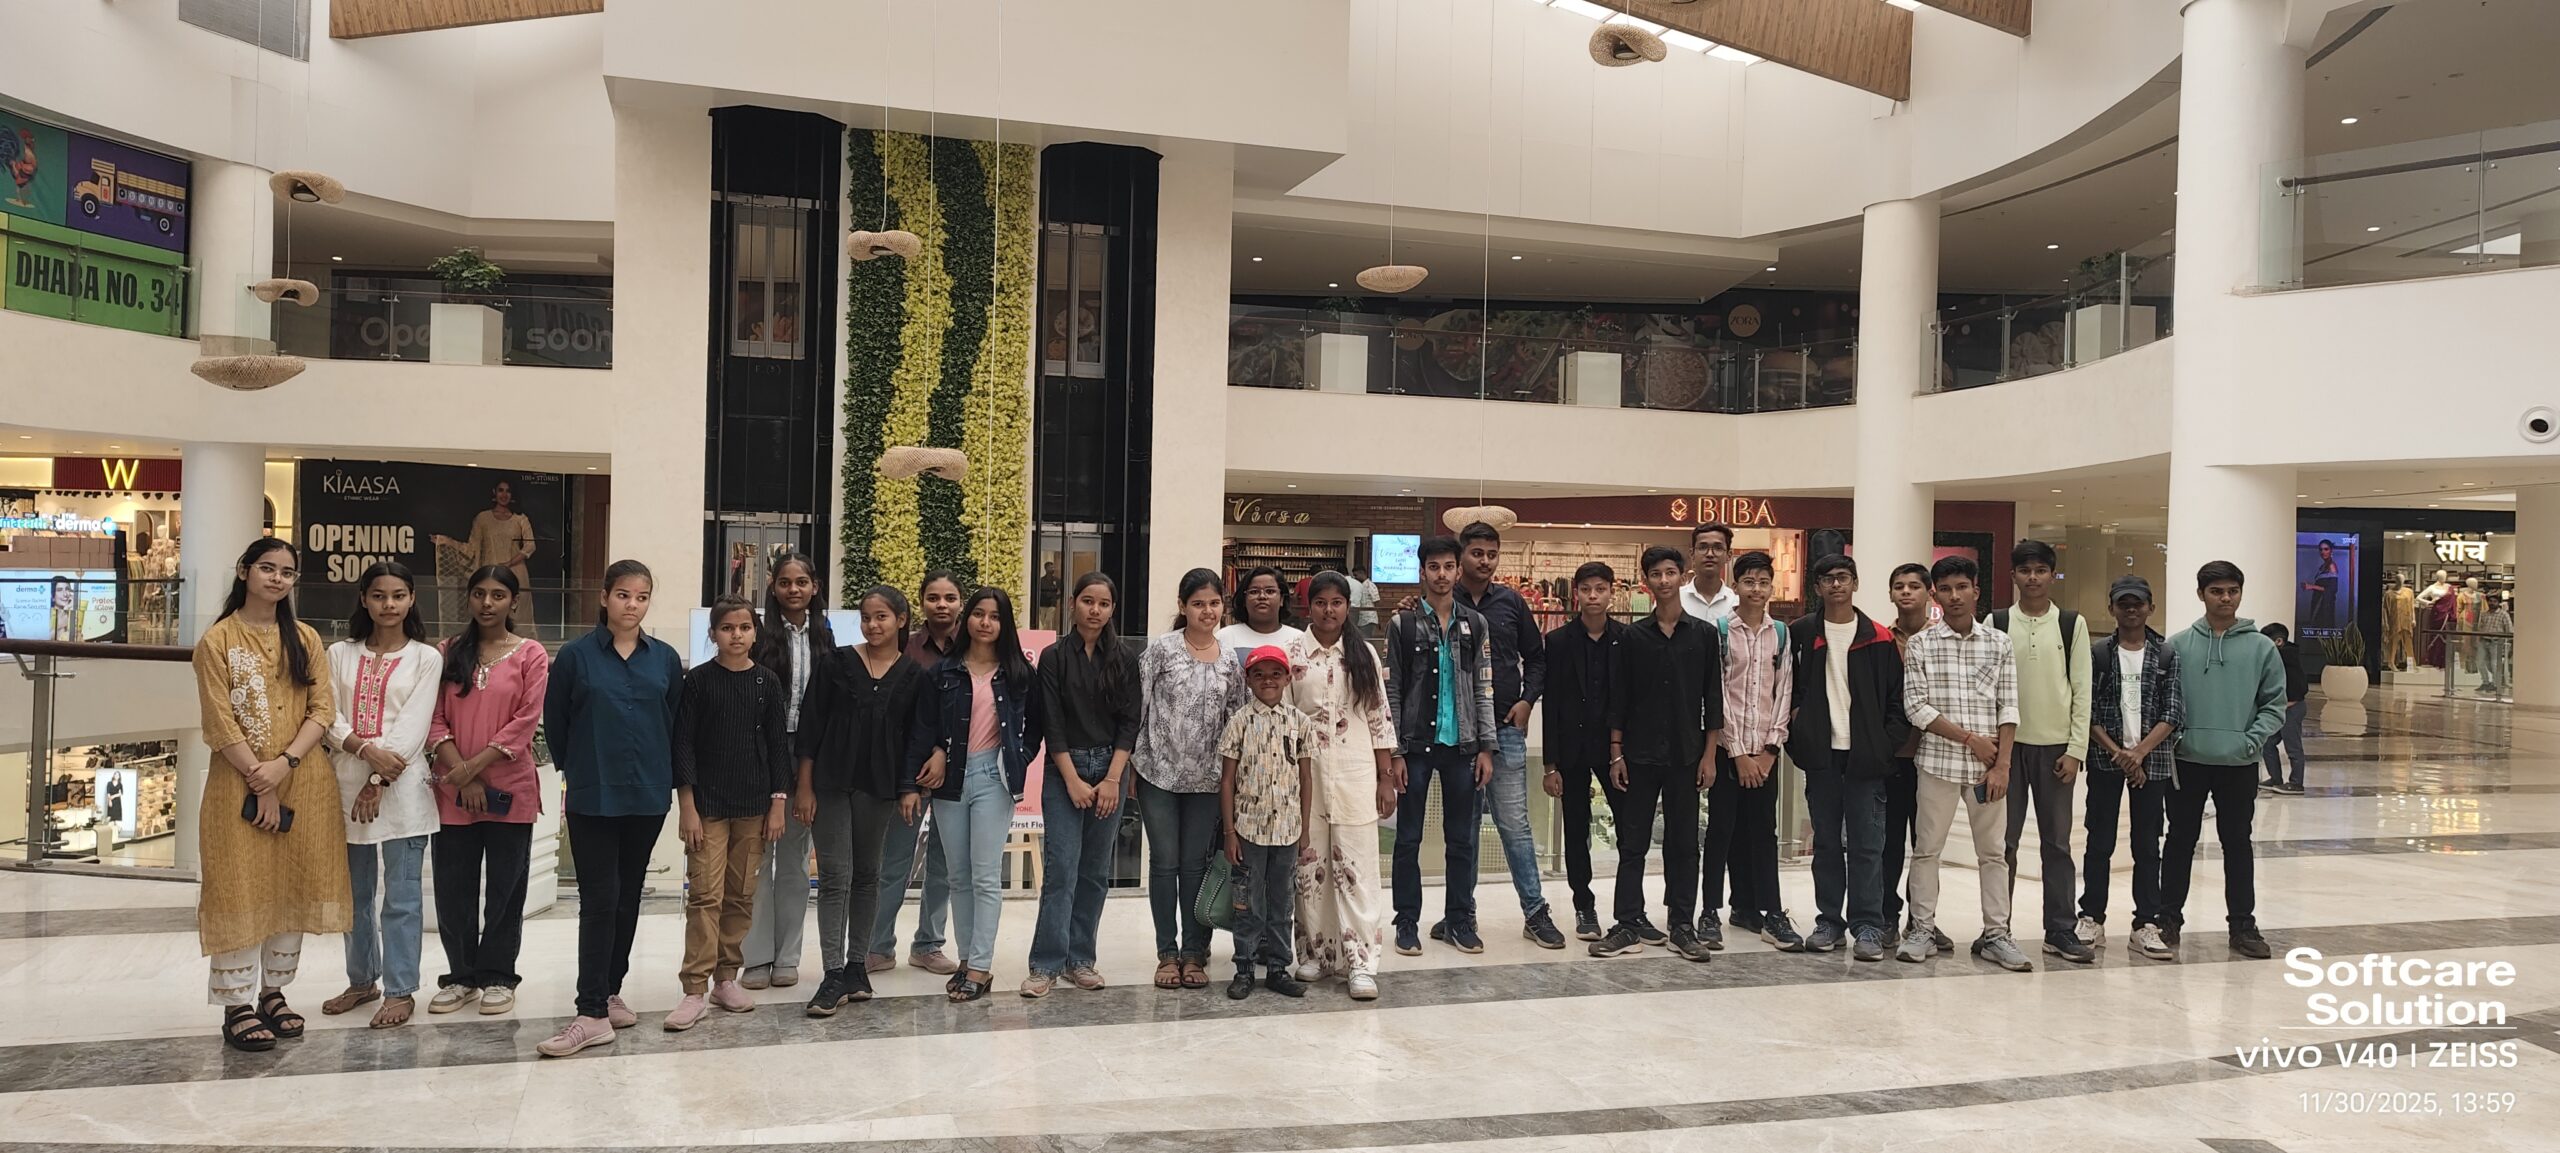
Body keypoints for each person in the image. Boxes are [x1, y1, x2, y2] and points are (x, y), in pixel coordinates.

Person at [192, 539, 349, 1052]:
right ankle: (236, 1004)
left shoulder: (304, 638)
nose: (277, 578)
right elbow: (219, 721)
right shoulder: (217, 641)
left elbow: (322, 711)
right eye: (267, 568)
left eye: (287, 571)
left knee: (291, 883)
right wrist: (260, 780)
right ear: (244, 571)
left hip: (303, 779)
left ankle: (273, 993)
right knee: (238, 885)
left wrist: (283, 767)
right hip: (236, 782)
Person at [538, 560, 684, 1057]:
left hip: (647, 795)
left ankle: (610, 990)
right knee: (599, 898)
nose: (632, 605)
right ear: (604, 597)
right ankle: (590, 1011)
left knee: (627, 897)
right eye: (623, 595)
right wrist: (582, 770)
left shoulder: (665, 659)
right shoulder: (575, 657)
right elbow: (557, 724)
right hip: (593, 794)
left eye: (642, 597)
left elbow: (673, 722)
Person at [319, 562, 444, 1030]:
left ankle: (400, 989)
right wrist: (363, 750)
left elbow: (412, 729)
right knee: (354, 897)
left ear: (411, 599)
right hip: (345, 785)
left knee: (402, 898)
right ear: (363, 599)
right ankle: (361, 980)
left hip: (403, 792)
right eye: (378, 595)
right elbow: (327, 715)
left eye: (398, 595)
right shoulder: (339, 653)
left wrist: (377, 782)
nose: (388, 604)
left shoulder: (425, 658)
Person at [906, 587, 1044, 1003]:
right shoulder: (943, 672)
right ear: (967, 618)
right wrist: (936, 752)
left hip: (993, 778)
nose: (986, 622)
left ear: (1005, 624)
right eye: (979, 614)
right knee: (957, 875)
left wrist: (1018, 758)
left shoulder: (1018, 673)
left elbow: (1036, 727)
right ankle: (967, 961)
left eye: (995, 616)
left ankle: (981, 966)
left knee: (984, 876)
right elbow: (925, 725)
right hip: (949, 779)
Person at [425, 566, 550, 1017]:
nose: (487, 603)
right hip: (453, 791)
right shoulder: (447, 653)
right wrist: (463, 775)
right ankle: (460, 976)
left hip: (510, 790)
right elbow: (433, 718)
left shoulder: (530, 654)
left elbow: (525, 720)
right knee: (453, 888)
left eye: (498, 595)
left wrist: (474, 769)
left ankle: (498, 975)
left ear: (513, 602)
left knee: (505, 889)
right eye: (479, 593)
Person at [663, 597, 793, 1031]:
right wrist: (687, 806)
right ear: (713, 634)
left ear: (756, 633)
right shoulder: (698, 681)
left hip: (753, 806)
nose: (736, 635)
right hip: (707, 807)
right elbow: (683, 743)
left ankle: (725, 979)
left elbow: (778, 746)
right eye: (727, 628)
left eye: (744, 627)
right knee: (705, 894)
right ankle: (693, 989)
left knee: (739, 894)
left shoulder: (767, 682)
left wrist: (778, 803)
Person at [795, 585, 926, 1016]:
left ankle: (856, 967)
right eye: (866, 617)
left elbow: (916, 737)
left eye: (881, 617)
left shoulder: (914, 674)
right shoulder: (834, 663)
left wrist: (908, 787)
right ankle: (832, 973)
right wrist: (805, 786)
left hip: (879, 786)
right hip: (831, 783)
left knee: (868, 875)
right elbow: (810, 728)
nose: (872, 625)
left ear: (901, 620)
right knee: (836, 876)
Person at [1588, 546, 1722, 961]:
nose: (1663, 581)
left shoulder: (1703, 635)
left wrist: (1710, 755)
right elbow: (1619, 699)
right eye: (1655, 574)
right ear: (1645, 581)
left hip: (1686, 754)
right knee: (1633, 843)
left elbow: (1713, 699)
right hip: (1638, 754)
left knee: (1684, 844)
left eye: (1670, 573)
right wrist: (1616, 752)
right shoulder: (1632, 637)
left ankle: (1682, 925)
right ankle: (1628, 923)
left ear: (1683, 576)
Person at [1898, 555, 2029, 972]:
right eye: (1946, 589)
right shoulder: (1921, 644)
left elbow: (2009, 706)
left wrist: (2002, 765)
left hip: (1987, 770)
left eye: (1962, 587)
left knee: (1993, 854)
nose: (1954, 596)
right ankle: (1921, 929)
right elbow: (1916, 708)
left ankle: (1996, 934)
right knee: (1926, 851)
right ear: (1935, 594)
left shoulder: (1999, 643)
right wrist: (1971, 739)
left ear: (1976, 591)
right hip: (1936, 764)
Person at [1784, 554, 1910, 962]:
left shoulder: (1878, 637)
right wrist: (1800, 736)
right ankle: (1829, 922)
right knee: (1825, 844)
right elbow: (1788, 689)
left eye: (1843, 577)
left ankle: (1868, 925)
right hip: (1822, 757)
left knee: (1868, 846)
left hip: (1866, 759)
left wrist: (1883, 746)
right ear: (1817, 587)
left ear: (1855, 583)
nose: (1835, 585)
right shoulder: (1802, 633)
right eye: (1827, 579)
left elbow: (1896, 700)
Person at [2161, 561, 2287, 961]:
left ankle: (2243, 926)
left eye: (2233, 591)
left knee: (2237, 844)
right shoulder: (2178, 645)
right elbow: (2164, 700)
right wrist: (2178, 738)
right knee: (2179, 841)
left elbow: (2274, 703)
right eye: (2217, 591)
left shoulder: (2261, 647)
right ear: (2201, 595)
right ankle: (2167, 920)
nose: (2226, 598)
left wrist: (2251, 741)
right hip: (2187, 761)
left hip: (2239, 763)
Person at [1024, 573, 1143, 998]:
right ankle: (1045, 964)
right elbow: (1051, 723)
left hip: (1110, 767)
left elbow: (1130, 722)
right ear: (1073, 603)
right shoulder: (1054, 657)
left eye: (1104, 603)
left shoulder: (1124, 658)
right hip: (1065, 769)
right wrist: (1072, 779)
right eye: (1088, 601)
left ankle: (1081, 960)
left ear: (1112, 609)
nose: (1095, 610)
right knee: (1061, 869)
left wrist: (1112, 778)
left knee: (1093, 872)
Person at [1286, 571, 1398, 1000]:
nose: (1328, 610)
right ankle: (1316, 955)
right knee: (1309, 868)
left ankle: (1361, 962)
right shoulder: (1293, 652)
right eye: (1320, 603)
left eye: (1336, 602)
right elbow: (1284, 716)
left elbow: (1378, 715)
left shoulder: (1362, 652)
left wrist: (1386, 777)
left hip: (1355, 773)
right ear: (1308, 606)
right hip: (1306, 777)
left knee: (1356, 869)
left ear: (1348, 606)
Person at [1450, 522, 1561, 949]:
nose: (1485, 561)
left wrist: (1528, 701)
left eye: (1492, 554)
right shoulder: (1443, 599)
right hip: (1458, 735)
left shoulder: (1512, 602)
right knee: (1464, 830)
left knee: (1515, 825)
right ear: (1462, 555)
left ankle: (1535, 912)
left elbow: (1537, 658)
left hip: (1506, 729)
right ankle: (1461, 915)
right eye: (1477, 553)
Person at [1386, 536, 1497, 956]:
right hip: (1415, 745)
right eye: (1434, 567)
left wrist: (1486, 746)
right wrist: (1395, 751)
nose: (1442, 574)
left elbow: (1484, 686)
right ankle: (1406, 921)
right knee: (1407, 839)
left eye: (1449, 566)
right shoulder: (1404, 624)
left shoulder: (1475, 624)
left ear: (1458, 570)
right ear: (1422, 572)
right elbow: (1393, 690)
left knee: (1462, 840)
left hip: (1462, 745)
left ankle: (1458, 920)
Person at [1134, 569, 1242, 990]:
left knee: (1196, 865)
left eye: (1214, 603)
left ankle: (1194, 953)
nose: (1207, 611)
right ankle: (1167, 953)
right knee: (1164, 863)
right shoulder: (1161, 650)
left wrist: (1234, 778)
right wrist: (1129, 768)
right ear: (1182, 606)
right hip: (1157, 774)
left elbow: (1235, 720)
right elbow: (1138, 708)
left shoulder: (1229, 658)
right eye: (1198, 603)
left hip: (1208, 781)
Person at [1991, 540, 2094, 965]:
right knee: (2003, 844)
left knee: (2057, 844)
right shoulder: (1997, 621)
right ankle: (1997, 929)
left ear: (2052, 575)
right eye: (2025, 570)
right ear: (2013, 576)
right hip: (2008, 748)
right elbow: (1986, 686)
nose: (2032, 578)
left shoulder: (2071, 623)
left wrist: (2076, 749)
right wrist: (1993, 751)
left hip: (2055, 750)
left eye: (2040, 570)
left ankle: (2060, 929)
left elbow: (2082, 689)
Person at [740, 552, 835, 991]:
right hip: (761, 753)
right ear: (772, 587)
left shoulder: (826, 636)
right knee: (758, 858)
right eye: (784, 582)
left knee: (796, 860)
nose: (793, 589)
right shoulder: (758, 635)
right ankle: (756, 957)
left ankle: (788, 956)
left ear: (815, 587)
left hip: (809, 754)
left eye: (801, 582)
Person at [870, 572, 966, 978]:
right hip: (908, 773)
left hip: (957, 772)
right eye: (933, 597)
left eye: (950, 597)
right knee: (894, 861)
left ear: (960, 603)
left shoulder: (974, 647)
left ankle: (928, 944)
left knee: (944, 863)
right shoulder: (904, 649)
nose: (941, 604)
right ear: (921, 602)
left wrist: (943, 751)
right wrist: (910, 773)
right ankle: (878, 946)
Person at [1701, 550, 1798, 951]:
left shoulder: (1782, 633)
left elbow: (1785, 691)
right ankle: (1709, 912)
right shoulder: (1721, 631)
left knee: (1763, 834)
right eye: (1748, 582)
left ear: (1771, 587)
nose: (1756, 589)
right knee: (1720, 832)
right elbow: (1717, 694)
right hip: (1729, 752)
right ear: (1735, 586)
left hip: (1766, 753)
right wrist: (1739, 754)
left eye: (1763, 582)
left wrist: (1770, 750)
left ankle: (1769, 911)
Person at [2083, 575, 2181, 962]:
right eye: (2123, 603)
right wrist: (2122, 755)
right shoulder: (2098, 654)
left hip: (2151, 762)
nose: (2131, 609)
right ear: (2112, 608)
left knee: (2147, 845)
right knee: (2099, 842)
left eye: (2138, 603)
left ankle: (2145, 923)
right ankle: (2091, 917)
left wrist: (2139, 753)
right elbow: (2087, 711)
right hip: (2106, 760)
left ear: (2150, 607)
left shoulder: (2167, 654)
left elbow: (2173, 712)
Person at [1219, 645, 1317, 1000]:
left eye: (1276, 674)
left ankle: (1278, 967)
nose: (1268, 681)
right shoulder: (1239, 722)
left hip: (1288, 831)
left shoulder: (1299, 723)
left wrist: (1304, 829)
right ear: (1248, 680)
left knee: (1282, 902)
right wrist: (1230, 832)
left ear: (1288, 678)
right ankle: (1244, 967)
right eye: (1259, 675)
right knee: (1247, 903)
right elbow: (1227, 781)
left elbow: (1306, 778)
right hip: (1248, 830)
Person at [1542, 562, 1629, 942]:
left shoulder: (1626, 639)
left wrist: (1622, 749)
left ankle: (1629, 909)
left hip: (1616, 751)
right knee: (1576, 831)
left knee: (1629, 829)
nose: (1593, 596)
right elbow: (1551, 704)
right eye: (1586, 589)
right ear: (1575, 593)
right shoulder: (1558, 641)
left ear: (1612, 592)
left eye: (1600, 589)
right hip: (1572, 750)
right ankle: (1584, 905)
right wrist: (1550, 764)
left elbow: (1630, 699)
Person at [1883, 562, 1944, 954]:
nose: (1906, 592)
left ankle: (1923, 921)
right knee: (1889, 843)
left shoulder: (1942, 640)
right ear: (1890, 593)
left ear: (1928, 593)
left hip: (1934, 755)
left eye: (1914, 586)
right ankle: (1887, 917)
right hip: (1894, 757)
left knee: (1927, 845)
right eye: (1899, 586)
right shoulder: (1879, 639)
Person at [434, 479, 538, 629]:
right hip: (490, 573)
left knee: (519, 619)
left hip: (517, 574)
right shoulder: (483, 518)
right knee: (489, 612)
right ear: (494, 492)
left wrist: (509, 563)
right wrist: (446, 541)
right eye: (501, 490)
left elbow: (530, 545)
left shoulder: (520, 519)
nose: (504, 494)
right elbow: (472, 549)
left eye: (508, 491)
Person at [2259, 622, 2308, 796]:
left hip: (2292, 709)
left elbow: (2299, 688)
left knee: (2293, 747)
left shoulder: (2287, 658)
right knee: (2268, 743)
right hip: (2282, 709)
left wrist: (2286, 703)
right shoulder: (2279, 658)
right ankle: (2275, 778)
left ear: (2278, 641)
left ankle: (2296, 783)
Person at [1218, 565, 1305, 659]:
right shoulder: (1225, 637)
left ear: (1282, 599)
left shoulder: (1298, 639)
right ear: (1244, 600)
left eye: (1270, 591)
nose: (1262, 596)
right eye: (1254, 592)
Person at [1679, 522, 1738, 625]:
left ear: (1729, 555)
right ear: (1692, 554)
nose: (1710, 554)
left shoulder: (1736, 604)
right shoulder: (1674, 600)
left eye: (1718, 548)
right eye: (1702, 548)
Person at [1349, 566, 1381, 638]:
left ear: (1362, 573)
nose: (1355, 577)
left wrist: (1379, 619)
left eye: (1356, 575)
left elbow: (1377, 601)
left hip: (1369, 619)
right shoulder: (1360, 585)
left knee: (1366, 640)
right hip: (1362, 619)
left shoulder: (1370, 585)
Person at [1035, 560, 1064, 631]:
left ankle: (1046, 634)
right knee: (1042, 620)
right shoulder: (1041, 581)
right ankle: (1046, 633)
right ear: (1046, 569)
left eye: (1053, 567)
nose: (1052, 569)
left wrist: (1055, 598)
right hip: (1042, 603)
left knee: (1048, 620)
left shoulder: (1057, 580)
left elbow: (1060, 591)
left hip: (1052, 604)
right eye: (1050, 568)